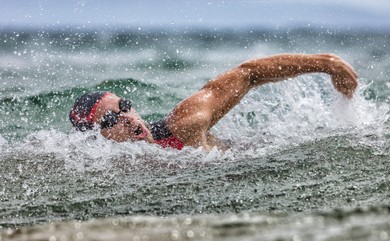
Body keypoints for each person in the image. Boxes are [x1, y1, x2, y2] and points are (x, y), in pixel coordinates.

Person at [69, 53, 358, 151]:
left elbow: (247, 74)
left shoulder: (184, 124)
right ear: (96, 138)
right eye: (110, 120)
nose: (128, 118)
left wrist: (326, 63)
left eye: (125, 106)